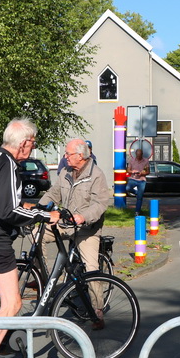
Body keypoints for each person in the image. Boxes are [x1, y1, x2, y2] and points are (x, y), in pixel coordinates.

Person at [0, 118, 53, 358]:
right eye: (32, 143)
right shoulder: (7, 163)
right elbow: (7, 212)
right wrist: (43, 215)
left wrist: (24, 206)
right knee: (13, 303)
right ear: (24, 143)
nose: (32, 148)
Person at [39, 138, 109, 322]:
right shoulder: (65, 172)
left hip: (86, 229)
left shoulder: (96, 175)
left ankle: (97, 311)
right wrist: (38, 209)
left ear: (80, 155)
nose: (65, 157)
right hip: (65, 224)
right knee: (36, 234)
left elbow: (100, 204)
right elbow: (53, 193)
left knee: (91, 268)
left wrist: (83, 216)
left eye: (68, 154)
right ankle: (45, 279)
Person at [125, 145, 150, 214]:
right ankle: (137, 193)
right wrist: (133, 171)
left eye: (140, 156)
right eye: (137, 156)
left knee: (140, 197)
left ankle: (137, 211)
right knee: (127, 188)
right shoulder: (132, 160)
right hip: (133, 178)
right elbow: (128, 170)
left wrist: (142, 173)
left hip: (142, 180)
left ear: (142, 155)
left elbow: (148, 171)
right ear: (136, 154)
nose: (138, 157)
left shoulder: (146, 161)